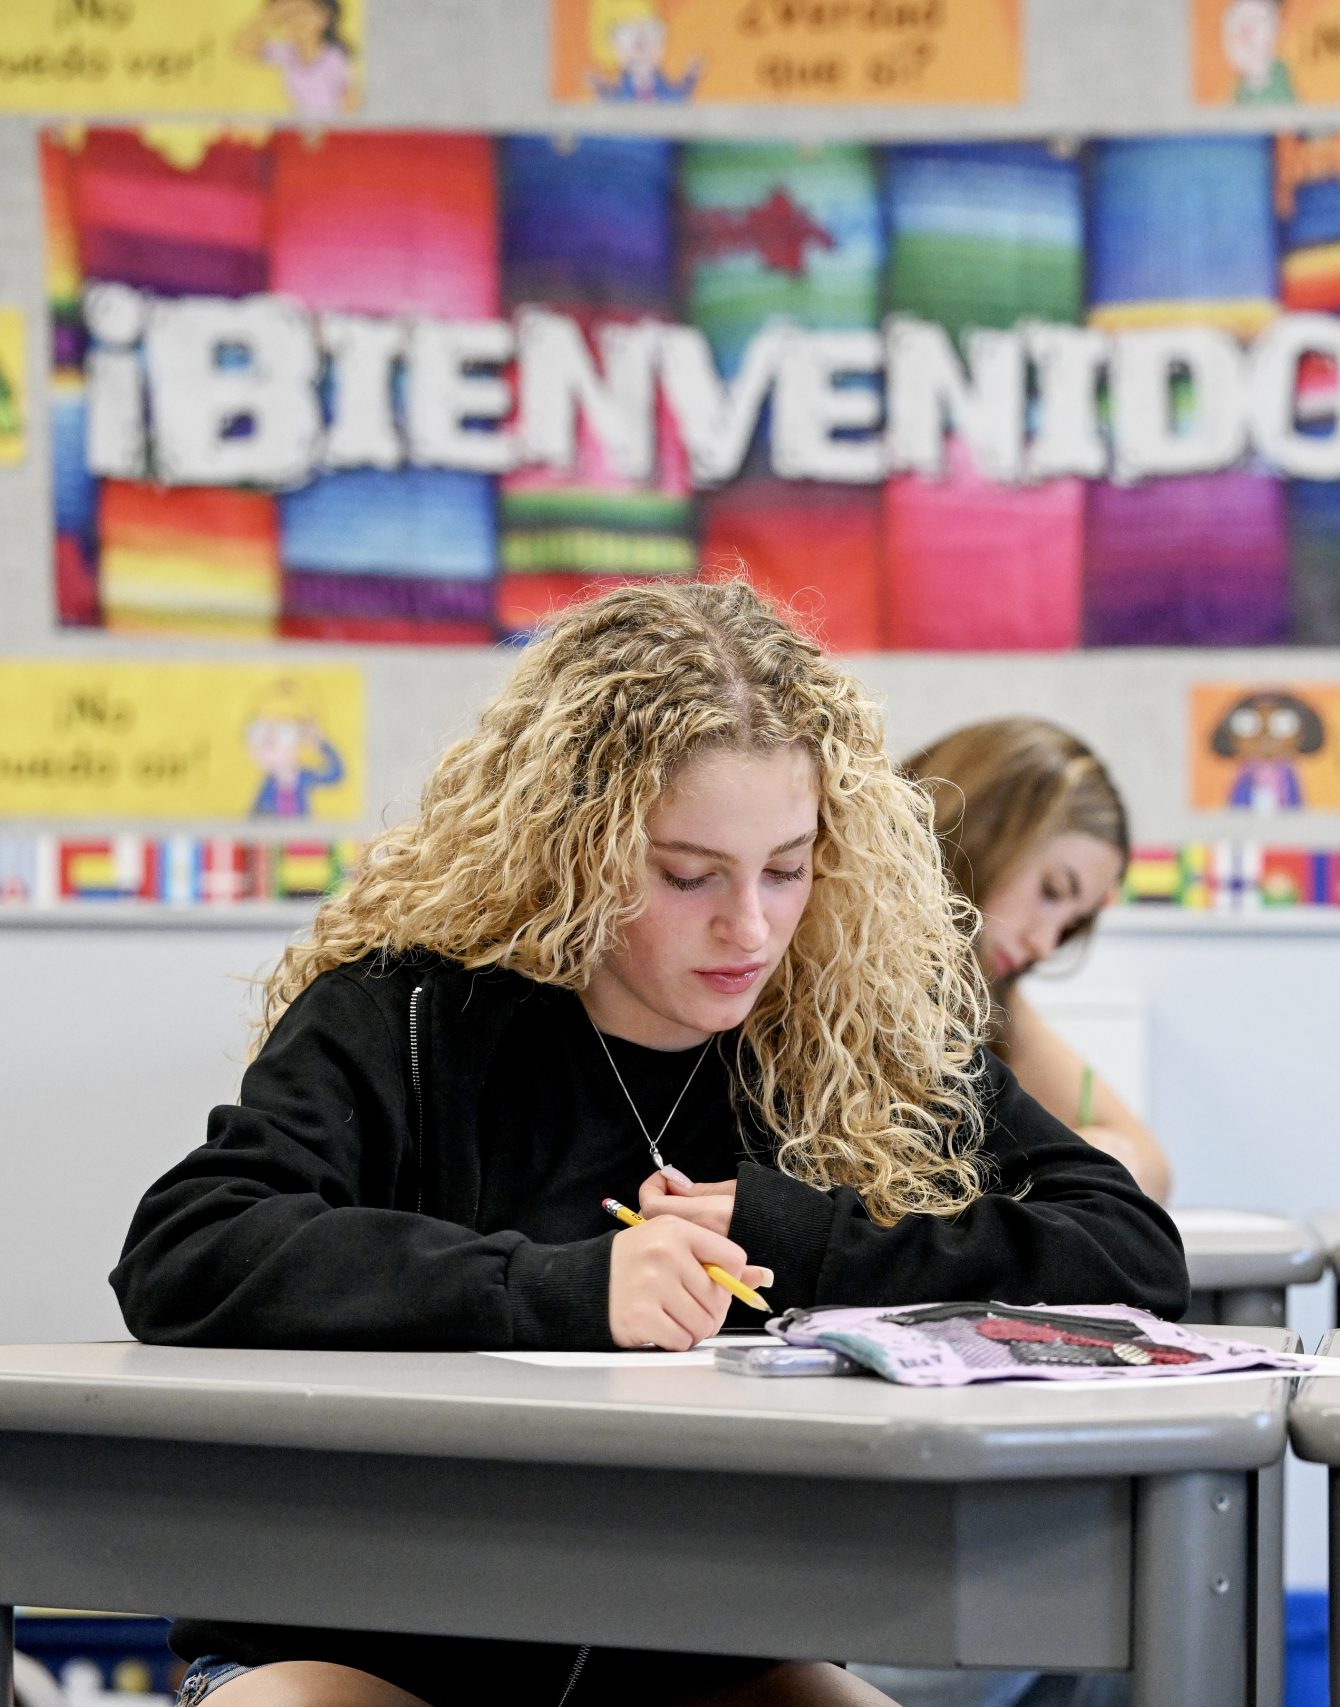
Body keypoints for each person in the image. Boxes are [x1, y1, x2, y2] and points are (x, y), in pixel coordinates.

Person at [113, 581, 1185, 1706]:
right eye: (687, 875)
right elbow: (190, 1248)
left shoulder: (853, 1035)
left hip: (698, 1649)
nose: (752, 928)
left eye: (787, 865)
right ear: (574, 843)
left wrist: (795, 1238)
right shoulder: (406, 1017)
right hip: (373, 1635)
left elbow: (1127, 1251)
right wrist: (566, 1290)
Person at [904, 718, 1173, 1201]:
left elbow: (1150, 1164)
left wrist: (1102, 1154)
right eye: (1051, 891)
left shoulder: (987, 994)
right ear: (982, 826)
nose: (1045, 946)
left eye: (1070, 924)